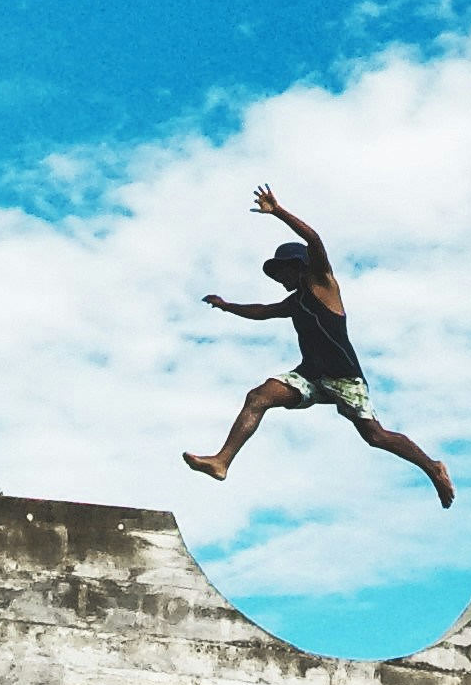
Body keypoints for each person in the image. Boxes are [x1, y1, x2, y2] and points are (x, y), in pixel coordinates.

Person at [185, 187, 455, 509]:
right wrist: (227, 306)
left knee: (375, 437)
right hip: (311, 375)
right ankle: (222, 462)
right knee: (258, 397)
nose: (278, 277)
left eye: (282, 271)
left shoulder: (323, 284)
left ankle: (433, 467)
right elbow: (263, 311)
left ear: (299, 266)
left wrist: (278, 211)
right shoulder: (295, 300)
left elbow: (315, 241)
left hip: (344, 377)